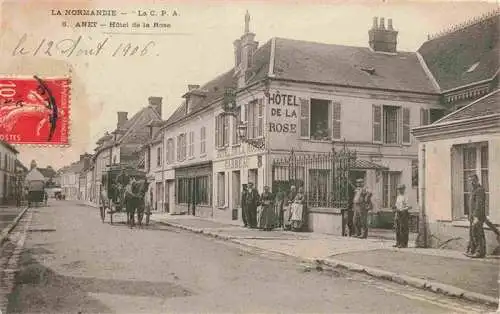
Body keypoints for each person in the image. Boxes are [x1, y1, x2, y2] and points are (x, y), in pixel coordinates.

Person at [465, 174, 486, 258]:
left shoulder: (480, 190)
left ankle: (480, 252)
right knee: (472, 233)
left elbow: (479, 205)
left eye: (472, 181)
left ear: (476, 181)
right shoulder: (473, 191)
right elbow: (471, 205)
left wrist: (476, 217)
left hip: (478, 216)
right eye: (469, 181)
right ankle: (473, 250)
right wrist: (470, 215)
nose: (471, 183)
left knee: (478, 234)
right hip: (472, 217)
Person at [393, 184, 411, 248]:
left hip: (404, 214)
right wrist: (395, 209)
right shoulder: (398, 197)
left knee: (403, 229)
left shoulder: (406, 196)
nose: (400, 190)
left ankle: (404, 243)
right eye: (399, 189)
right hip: (398, 213)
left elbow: (409, 206)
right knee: (397, 229)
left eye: (401, 189)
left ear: (404, 189)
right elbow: (396, 205)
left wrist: (403, 209)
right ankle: (398, 242)